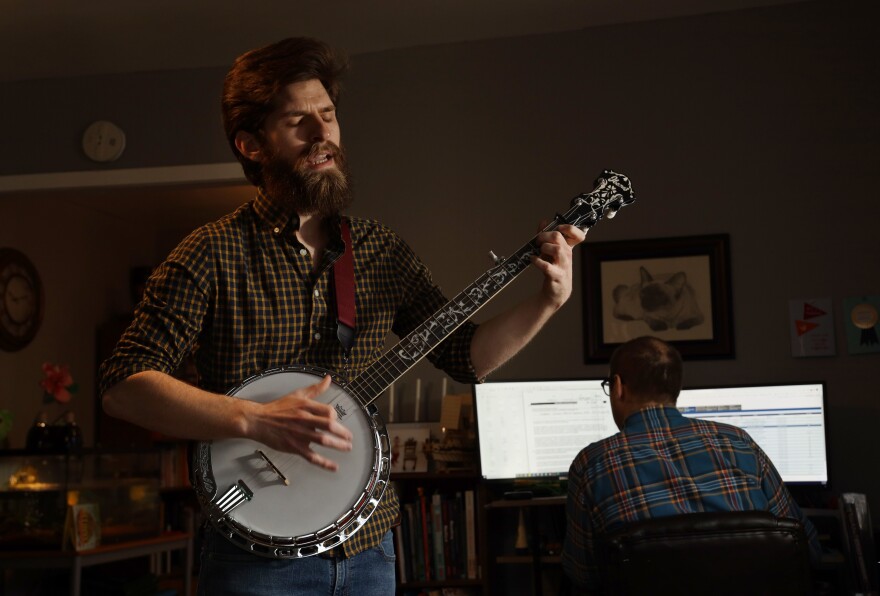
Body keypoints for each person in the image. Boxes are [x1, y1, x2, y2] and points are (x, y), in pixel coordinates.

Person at [98, 37, 585, 595]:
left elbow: (465, 356)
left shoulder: (380, 250)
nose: (322, 133)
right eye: (298, 122)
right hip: (253, 557)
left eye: (328, 115)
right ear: (252, 145)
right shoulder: (209, 253)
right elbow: (122, 386)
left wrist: (547, 301)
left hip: (368, 547)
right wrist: (253, 420)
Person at [561, 336, 821, 593]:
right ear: (676, 387)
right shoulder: (739, 441)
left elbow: (584, 575)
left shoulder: (591, 463)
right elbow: (804, 545)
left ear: (618, 387)